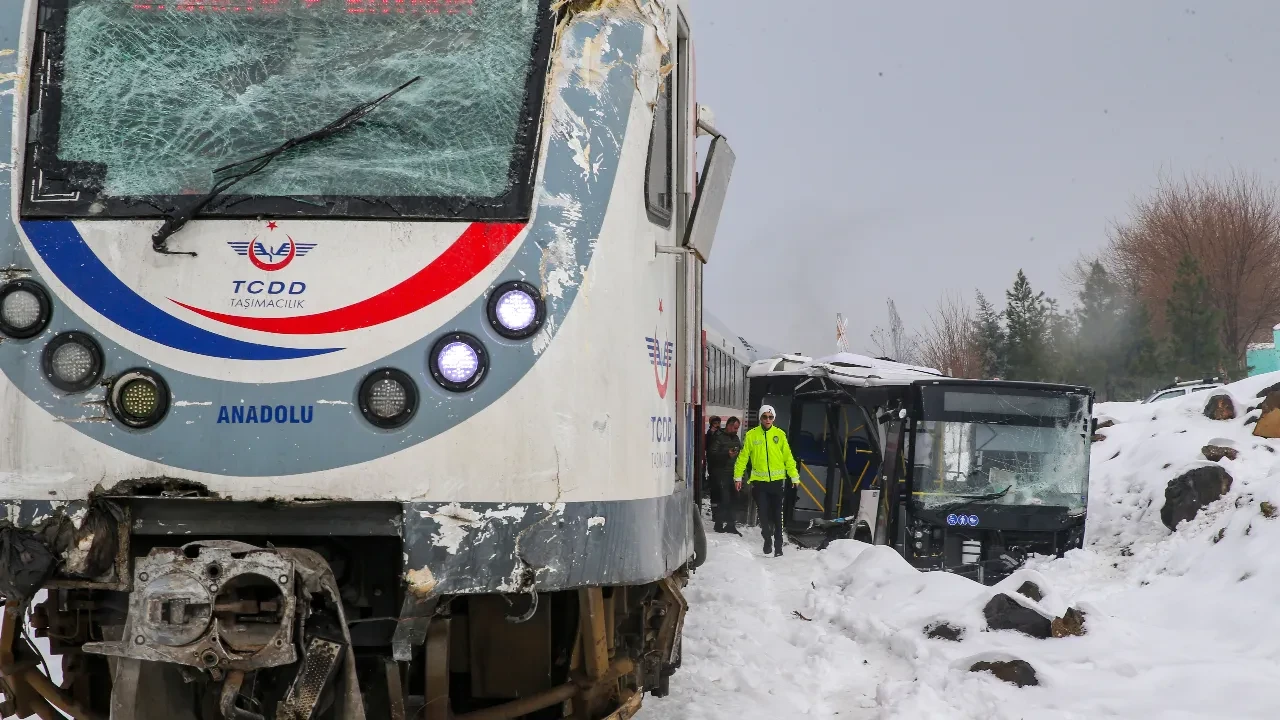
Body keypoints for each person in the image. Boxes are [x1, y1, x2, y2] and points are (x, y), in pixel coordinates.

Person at [733, 405, 798, 556]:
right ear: (760, 418)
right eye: (765, 417)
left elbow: (788, 458)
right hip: (760, 483)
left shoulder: (780, 435)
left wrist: (793, 476)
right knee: (763, 513)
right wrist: (738, 477)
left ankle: (779, 545)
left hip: (776, 482)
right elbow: (743, 458)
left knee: (777, 514)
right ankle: (767, 538)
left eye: (770, 417)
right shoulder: (752, 435)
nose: (768, 419)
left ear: (774, 418)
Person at [708, 416, 743, 534]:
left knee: (734, 499)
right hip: (721, 473)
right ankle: (719, 524)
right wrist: (726, 455)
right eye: (734, 427)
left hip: (733, 474)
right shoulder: (718, 438)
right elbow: (711, 455)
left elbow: (741, 454)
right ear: (728, 425)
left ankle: (731, 524)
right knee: (724, 499)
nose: (736, 430)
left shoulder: (736, 439)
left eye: (737, 428)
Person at [704, 416, 722, 505]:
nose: (717, 425)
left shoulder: (721, 432)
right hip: (711, 457)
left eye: (718, 423)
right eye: (715, 423)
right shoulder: (709, 433)